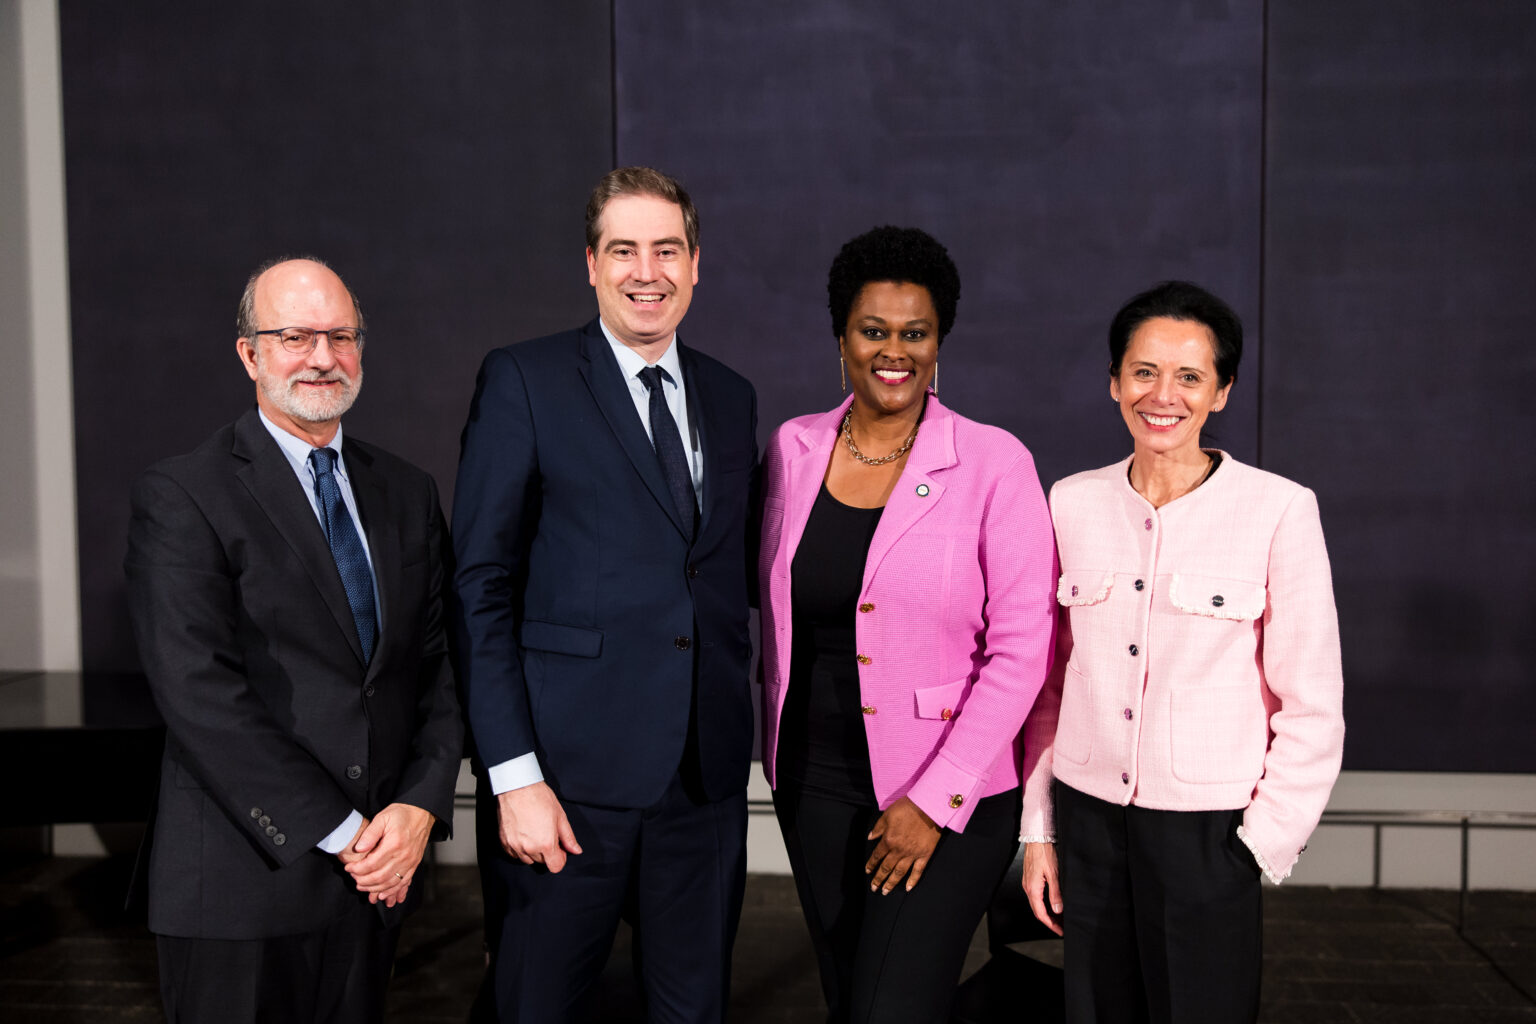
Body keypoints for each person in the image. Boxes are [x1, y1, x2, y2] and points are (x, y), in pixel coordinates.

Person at [452, 166, 759, 1023]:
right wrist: (512, 777)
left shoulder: (732, 398)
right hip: (564, 782)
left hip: (702, 784)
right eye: (623, 250)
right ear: (590, 264)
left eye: (667, 249)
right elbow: (480, 585)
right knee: (534, 1006)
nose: (646, 271)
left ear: (697, 264)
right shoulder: (525, 379)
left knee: (692, 1011)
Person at [124, 256, 463, 1023]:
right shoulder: (183, 494)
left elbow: (441, 666)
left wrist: (418, 805)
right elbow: (199, 695)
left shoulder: (407, 491)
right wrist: (346, 836)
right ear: (249, 353)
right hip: (243, 886)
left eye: (340, 337)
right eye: (295, 336)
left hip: (380, 877)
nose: (321, 358)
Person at [1020, 280, 1346, 1022]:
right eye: (1143, 372)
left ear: (1222, 392)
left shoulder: (1279, 510)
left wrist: (1259, 846)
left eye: (1190, 376)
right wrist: (1039, 830)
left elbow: (1313, 703)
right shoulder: (1069, 501)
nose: (1162, 395)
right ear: (1113, 381)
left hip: (1210, 833)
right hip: (1088, 821)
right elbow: (1048, 686)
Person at [757, 226, 1058, 1023]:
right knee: (848, 995)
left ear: (938, 344)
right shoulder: (793, 449)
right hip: (812, 780)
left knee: (892, 1007)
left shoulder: (996, 462)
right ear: (842, 339)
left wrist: (931, 802)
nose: (895, 351)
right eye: (874, 331)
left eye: (915, 333)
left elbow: (1023, 652)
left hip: (944, 789)